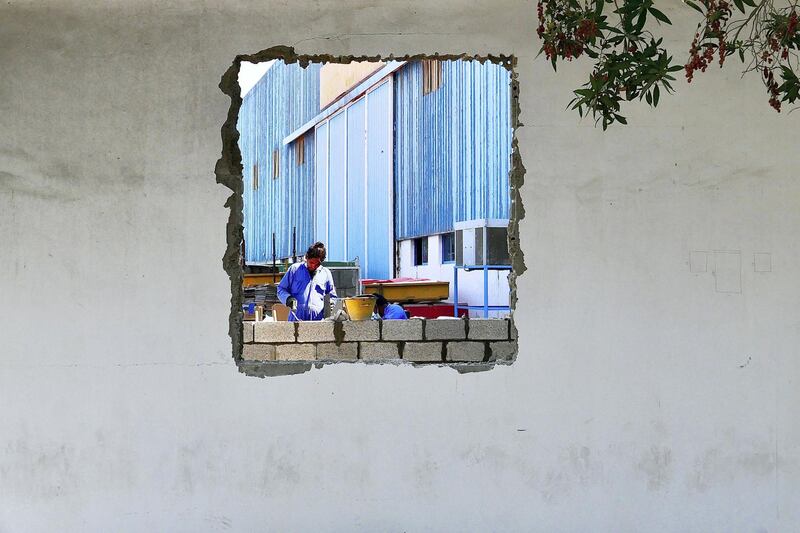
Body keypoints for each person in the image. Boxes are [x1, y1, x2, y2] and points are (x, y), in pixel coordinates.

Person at [277, 242, 337, 321]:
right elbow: (281, 289)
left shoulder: (326, 273)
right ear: (306, 257)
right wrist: (288, 299)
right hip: (296, 320)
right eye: (311, 262)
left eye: (317, 264)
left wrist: (330, 304)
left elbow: (332, 296)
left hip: (318, 323)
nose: (313, 266)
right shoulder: (294, 270)